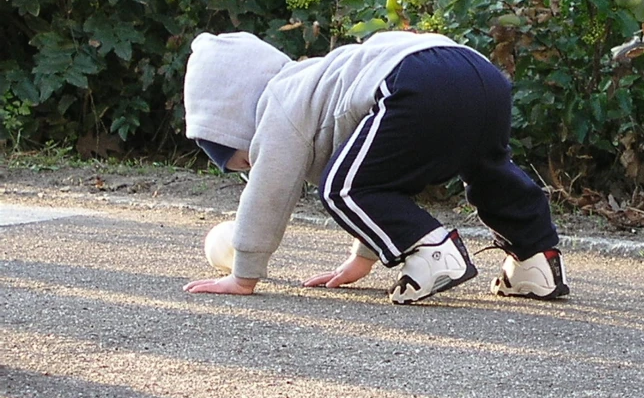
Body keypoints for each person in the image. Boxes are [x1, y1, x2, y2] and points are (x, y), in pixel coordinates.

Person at [182, 30, 569, 304]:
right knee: (488, 170)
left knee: (339, 189)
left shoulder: (279, 103)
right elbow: (380, 180)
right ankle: (535, 261)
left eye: (242, 156)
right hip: (479, 72)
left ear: (236, 120)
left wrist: (243, 274)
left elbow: (268, 192)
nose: (252, 163)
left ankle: (435, 252)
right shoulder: (320, 81)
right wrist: (362, 258)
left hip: (415, 78)